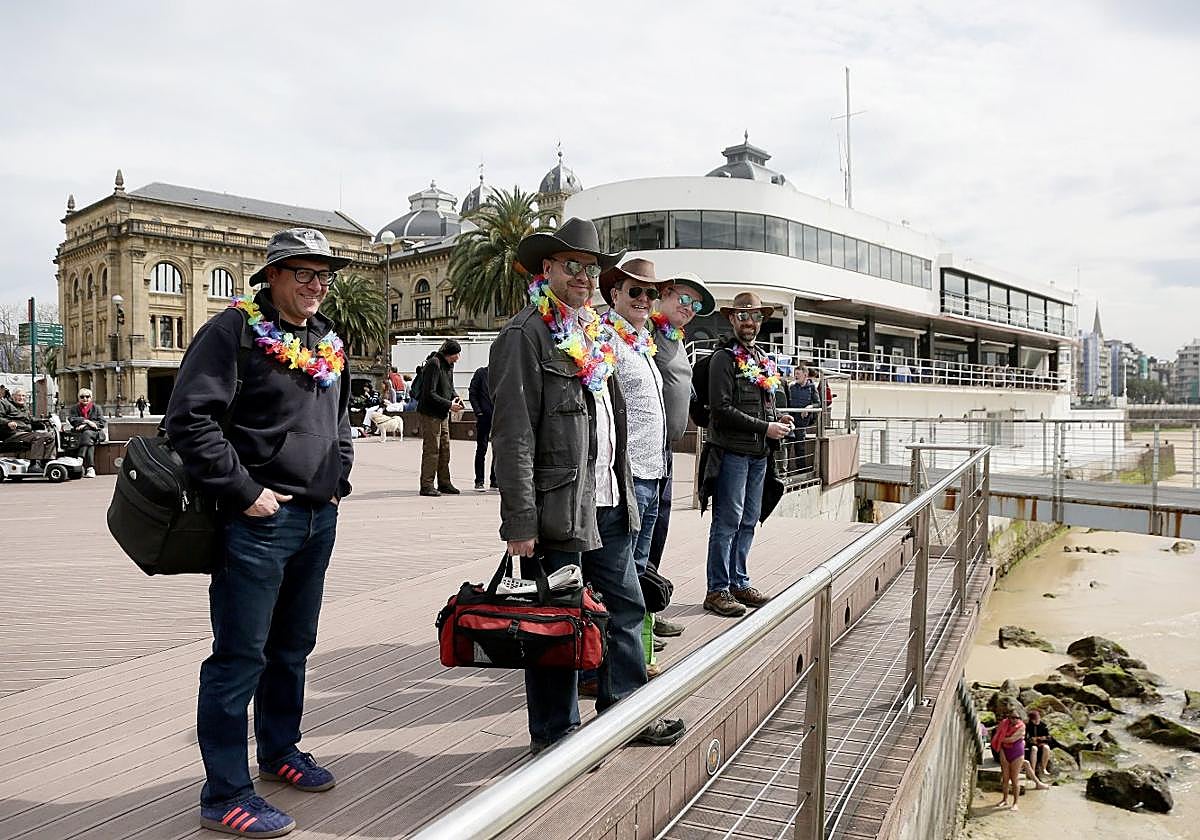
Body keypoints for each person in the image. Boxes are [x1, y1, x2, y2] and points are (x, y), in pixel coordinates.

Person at [164, 227, 354, 838]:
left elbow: (340, 416)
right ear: (270, 276)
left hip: (317, 516)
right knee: (240, 655)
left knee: (292, 648)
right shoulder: (233, 331)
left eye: (323, 272)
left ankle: (279, 751)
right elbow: (189, 421)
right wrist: (246, 493)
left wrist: (337, 474)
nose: (315, 283)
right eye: (300, 271)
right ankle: (224, 793)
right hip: (258, 521)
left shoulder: (326, 339)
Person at [490, 217, 684, 754]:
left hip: (610, 501)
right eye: (571, 264)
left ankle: (625, 713)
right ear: (545, 268)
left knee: (626, 607)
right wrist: (520, 522)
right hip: (561, 510)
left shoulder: (594, 332)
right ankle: (554, 737)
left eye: (591, 266)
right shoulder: (524, 334)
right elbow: (513, 435)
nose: (582, 274)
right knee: (556, 622)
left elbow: (610, 418)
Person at [699, 292, 793, 618]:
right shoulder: (723, 359)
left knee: (749, 520)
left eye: (754, 316)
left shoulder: (761, 358)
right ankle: (717, 589)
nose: (748, 322)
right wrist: (765, 429)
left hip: (758, 457)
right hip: (733, 455)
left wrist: (777, 420)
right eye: (742, 315)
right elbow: (721, 410)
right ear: (732, 319)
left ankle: (739, 581)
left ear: (761, 321)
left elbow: (765, 405)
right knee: (727, 522)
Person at [599, 258, 669, 675]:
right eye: (635, 292)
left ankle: (639, 657)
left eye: (650, 293)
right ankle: (613, 665)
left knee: (639, 574)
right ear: (615, 296)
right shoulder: (607, 340)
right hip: (628, 477)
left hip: (653, 472)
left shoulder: (641, 342)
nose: (644, 299)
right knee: (622, 580)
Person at [646, 271, 717, 642]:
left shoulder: (674, 338)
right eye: (682, 300)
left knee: (657, 534)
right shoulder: (650, 335)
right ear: (664, 296)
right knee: (641, 537)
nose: (688, 309)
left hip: (667, 452)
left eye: (694, 305)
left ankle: (648, 612)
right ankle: (635, 623)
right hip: (644, 452)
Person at [416, 339, 463, 496]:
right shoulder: (434, 364)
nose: (458, 358)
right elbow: (429, 393)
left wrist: (456, 397)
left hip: (442, 414)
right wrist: (450, 405)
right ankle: (427, 485)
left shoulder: (449, 366)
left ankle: (444, 482)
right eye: (456, 354)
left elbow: (449, 387)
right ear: (449, 353)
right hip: (430, 414)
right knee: (432, 449)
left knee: (445, 448)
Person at [0, 388, 57, 465]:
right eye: (19, 395)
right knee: (38, 437)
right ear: (12, 396)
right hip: (12, 433)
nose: (22, 398)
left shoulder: (24, 407)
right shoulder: (4, 403)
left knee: (50, 436)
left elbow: (30, 419)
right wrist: (8, 422)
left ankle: (48, 462)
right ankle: (34, 464)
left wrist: (44, 420)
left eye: (23, 396)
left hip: (24, 432)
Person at [467, 365, 497, 492]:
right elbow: (472, 393)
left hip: (499, 416)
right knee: (482, 448)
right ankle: (479, 480)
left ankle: (495, 480)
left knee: (498, 450)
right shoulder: (481, 373)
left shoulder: (503, 373)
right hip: (484, 416)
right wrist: (478, 411)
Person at [67, 388, 106, 477]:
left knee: (87, 434)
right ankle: (90, 468)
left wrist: (85, 425)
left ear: (91, 398)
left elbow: (101, 423)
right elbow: (72, 419)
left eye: (87, 396)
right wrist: (87, 421)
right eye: (82, 397)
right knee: (89, 442)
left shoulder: (97, 408)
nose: (85, 399)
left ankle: (80, 458)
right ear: (79, 398)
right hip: (83, 435)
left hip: (96, 433)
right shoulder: (74, 408)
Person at [1025, 708, 1052, 779]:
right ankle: (1032, 770)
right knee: (1034, 749)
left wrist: (1040, 738)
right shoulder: (1028, 726)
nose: (1037, 721)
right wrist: (1030, 740)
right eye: (1035, 719)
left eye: (1038, 719)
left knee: (1046, 748)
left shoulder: (1043, 725)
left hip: (1041, 743)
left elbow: (1049, 737)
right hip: (1032, 744)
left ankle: (1044, 768)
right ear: (1031, 720)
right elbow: (1025, 737)